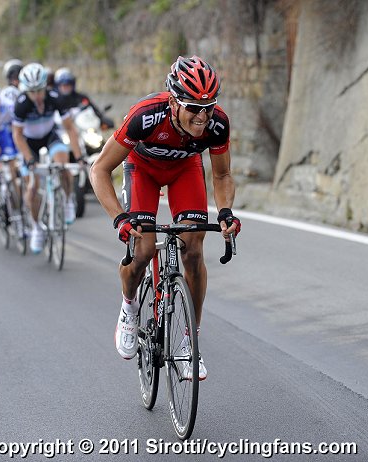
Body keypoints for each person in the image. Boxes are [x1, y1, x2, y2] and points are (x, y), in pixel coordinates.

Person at [90, 56, 241, 380]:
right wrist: (120, 218)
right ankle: (129, 307)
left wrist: (226, 212)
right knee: (142, 250)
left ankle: (190, 341)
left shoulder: (216, 124)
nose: (202, 117)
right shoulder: (145, 116)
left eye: (209, 107)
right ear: (173, 102)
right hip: (142, 170)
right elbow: (99, 169)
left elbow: (223, 174)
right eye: (193, 108)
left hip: (184, 171)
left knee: (194, 249)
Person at [11, 63, 84, 254]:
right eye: (32, 91)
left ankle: (68, 200)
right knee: (32, 186)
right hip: (29, 142)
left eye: (39, 90)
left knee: (63, 165)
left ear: (46, 86)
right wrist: (28, 159)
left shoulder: (55, 98)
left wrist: (79, 156)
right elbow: (17, 135)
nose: (36, 95)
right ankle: (36, 228)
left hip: (50, 136)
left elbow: (70, 128)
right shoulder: (21, 103)